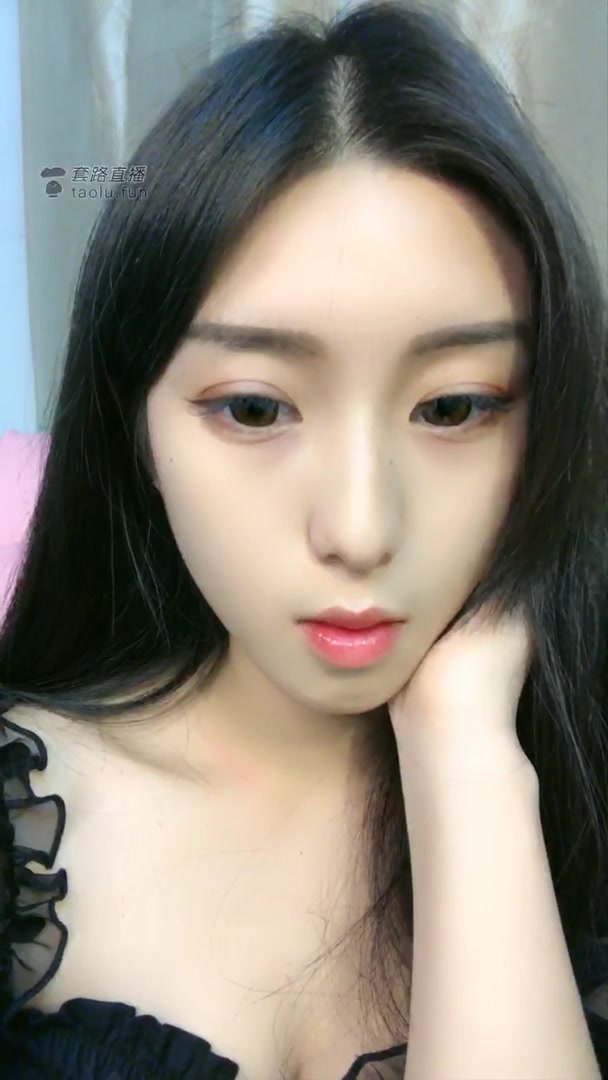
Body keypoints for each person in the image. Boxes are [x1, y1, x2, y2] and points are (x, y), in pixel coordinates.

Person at [1, 1, 607, 1077]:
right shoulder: (25, 828)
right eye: (254, 408)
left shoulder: (578, 797)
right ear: (135, 426)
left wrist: (465, 751)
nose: (360, 530)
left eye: (453, 407)